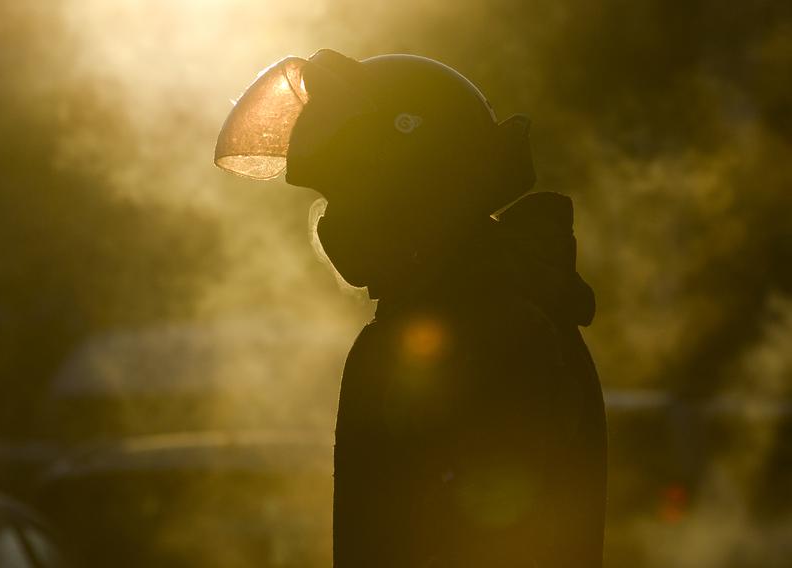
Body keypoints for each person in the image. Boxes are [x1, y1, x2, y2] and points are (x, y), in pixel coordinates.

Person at [215, 49, 607, 568]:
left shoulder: (497, 332)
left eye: (352, 194)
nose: (335, 225)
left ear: (417, 188)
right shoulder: (482, 308)